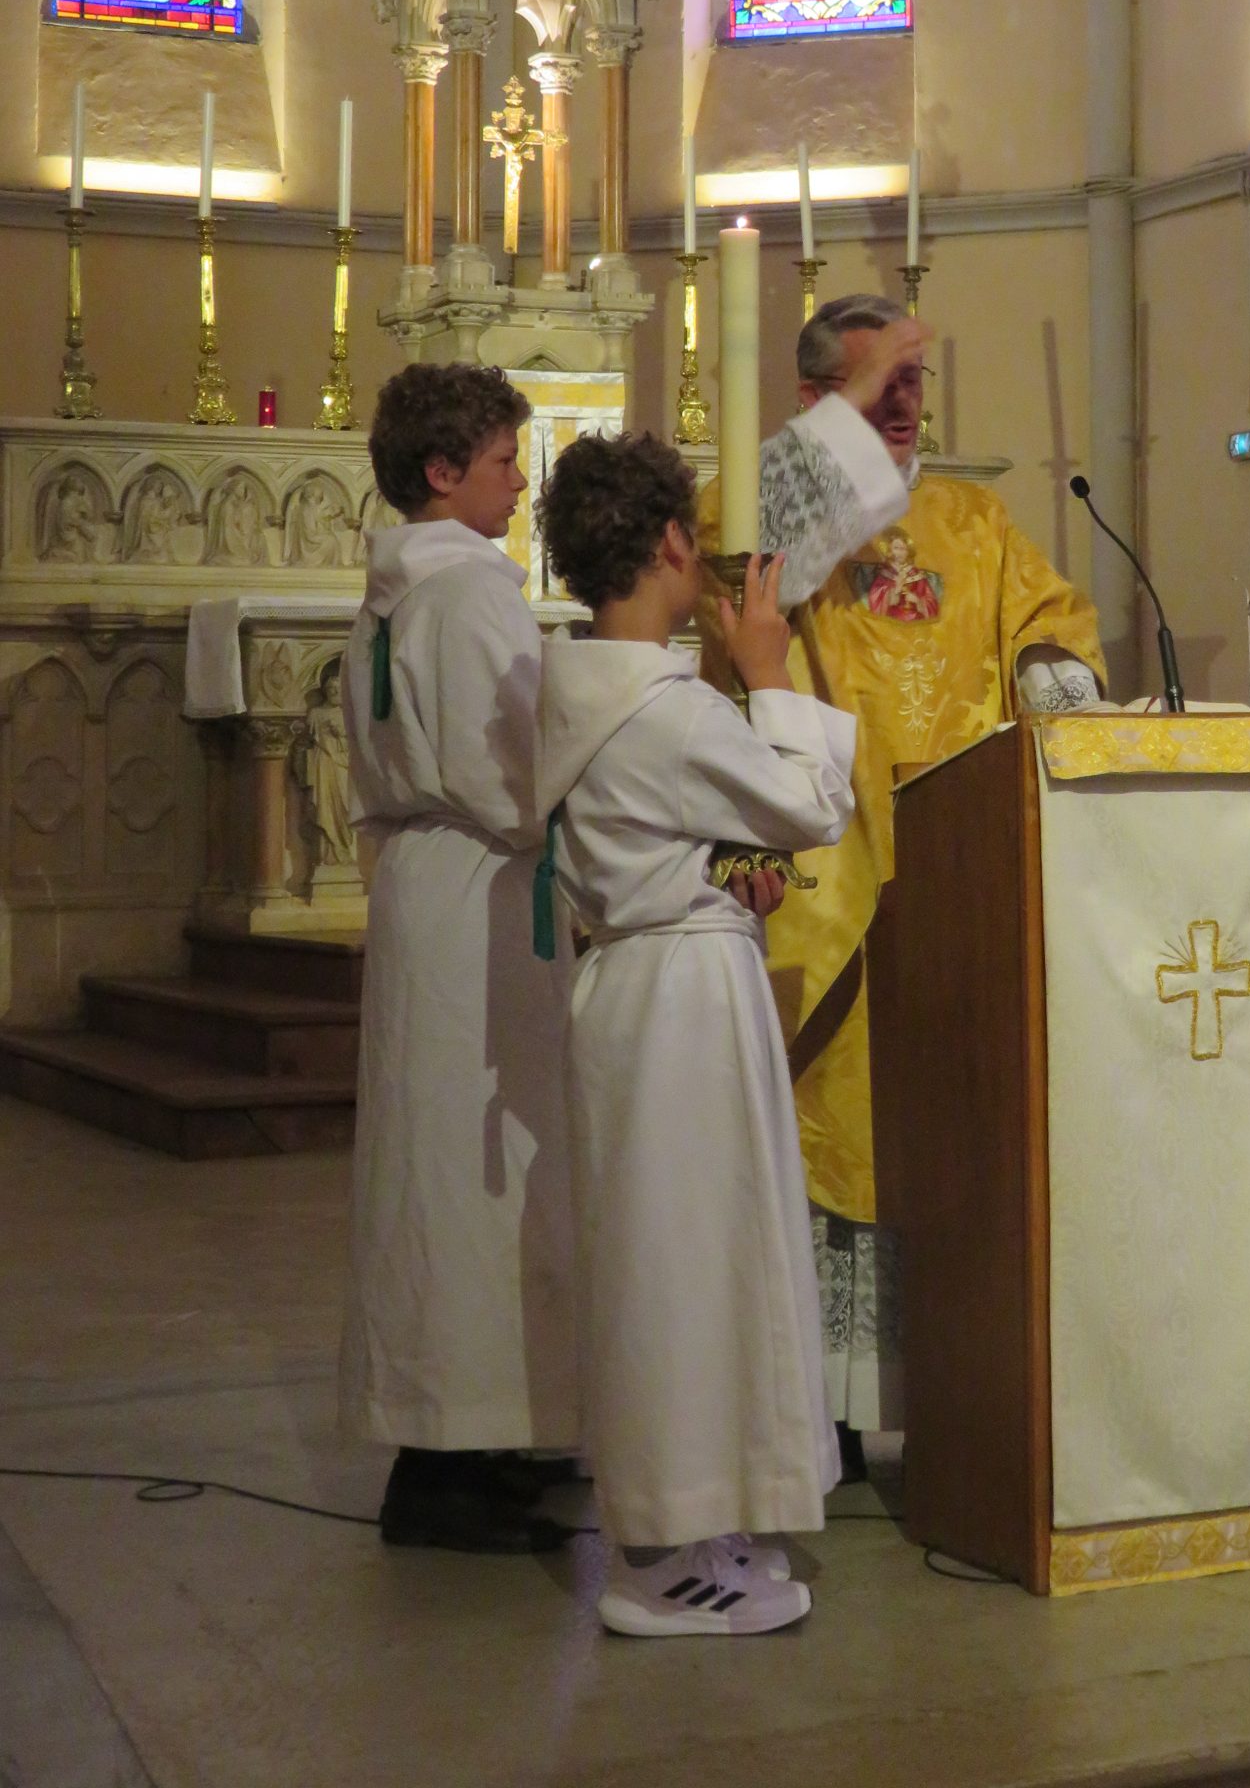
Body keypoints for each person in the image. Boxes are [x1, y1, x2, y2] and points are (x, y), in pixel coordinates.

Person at [700, 294, 1104, 1456]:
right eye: (882, 383)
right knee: (835, 1124)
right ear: (815, 402)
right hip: (829, 866)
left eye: (916, 382)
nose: (907, 402)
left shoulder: (974, 518)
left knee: (953, 1131)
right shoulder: (765, 512)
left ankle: (954, 1394)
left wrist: (1053, 674)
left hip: (964, 868)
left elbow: (1051, 623)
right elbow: (739, 580)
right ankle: (824, 1414)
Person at [537, 434, 857, 1637]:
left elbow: (673, 839)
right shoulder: (664, 710)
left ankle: (696, 1519)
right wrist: (768, 670)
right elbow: (812, 802)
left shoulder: (581, 690)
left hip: (644, 980)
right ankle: (657, 1564)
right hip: (680, 1005)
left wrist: (721, 870)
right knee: (683, 1268)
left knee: (679, 1259)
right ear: (672, 543)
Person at [338, 364, 577, 1553]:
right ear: (442, 470)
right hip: (482, 887)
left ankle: (465, 1443)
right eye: (501, 461)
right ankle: (444, 1468)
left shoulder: (391, 592)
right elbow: (518, 769)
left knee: (433, 1180)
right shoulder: (471, 593)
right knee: (478, 1181)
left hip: (422, 885)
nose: (519, 482)